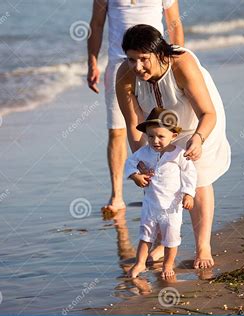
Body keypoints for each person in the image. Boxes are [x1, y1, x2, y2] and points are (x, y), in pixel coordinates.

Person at [116, 24, 231, 269]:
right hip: (157, 128)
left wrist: (198, 139)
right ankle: (162, 243)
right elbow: (134, 123)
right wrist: (142, 162)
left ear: (159, 53)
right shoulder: (125, 75)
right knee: (159, 182)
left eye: (144, 59)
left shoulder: (182, 64)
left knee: (196, 177)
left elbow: (207, 112)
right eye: (131, 59)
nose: (137, 67)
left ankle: (203, 246)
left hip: (198, 122)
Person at [87, 0, 184, 216]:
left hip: (154, 65)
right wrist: (92, 61)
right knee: (117, 130)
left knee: (158, 128)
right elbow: (96, 24)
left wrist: (176, 63)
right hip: (119, 64)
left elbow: (174, 23)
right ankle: (117, 196)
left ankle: (162, 185)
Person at [125, 108, 196, 279]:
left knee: (171, 238)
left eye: (160, 136)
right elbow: (129, 163)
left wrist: (188, 194)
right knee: (145, 236)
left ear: (173, 135)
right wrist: (135, 176)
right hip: (150, 204)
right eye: (150, 136)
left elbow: (189, 173)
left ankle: (168, 265)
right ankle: (140, 263)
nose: (155, 141)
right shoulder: (143, 153)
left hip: (172, 207)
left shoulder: (179, 154)